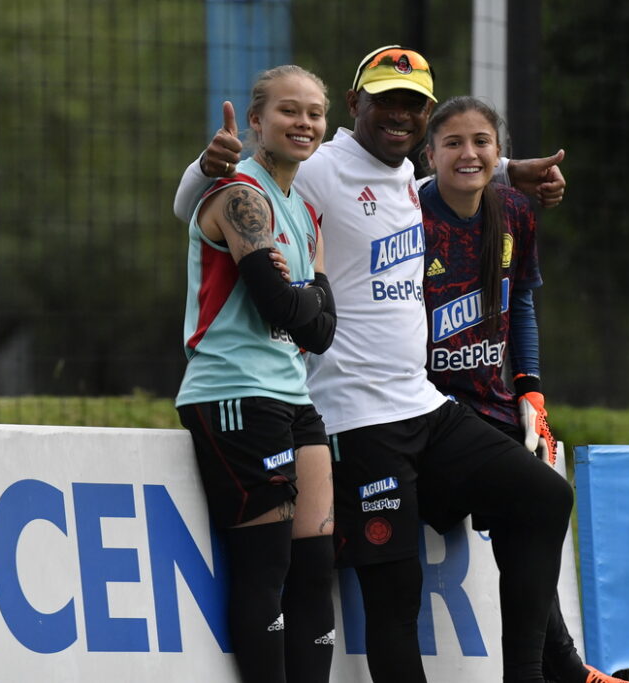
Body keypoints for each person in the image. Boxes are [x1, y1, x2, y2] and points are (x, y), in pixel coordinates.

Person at [176, 46, 572, 683]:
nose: (400, 115)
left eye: (413, 106)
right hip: (353, 419)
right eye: (385, 101)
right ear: (354, 105)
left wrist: (503, 170)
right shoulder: (321, 166)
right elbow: (211, 200)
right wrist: (202, 167)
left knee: (544, 497)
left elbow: (436, 180)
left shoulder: (404, 176)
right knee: (397, 600)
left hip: (422, 405)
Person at [419, 95, 628, 683]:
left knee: (531, 504)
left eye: (481, 142)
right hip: (428, 413)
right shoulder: (408, 211)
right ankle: (548, 670)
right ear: (428, 152)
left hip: (494, 408)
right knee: (537, 497)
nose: (468, 153)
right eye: (453, 142)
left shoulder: (514, 211)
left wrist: (530, 390)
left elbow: (523, 303)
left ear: (498, 150)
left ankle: (561, 666)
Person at [174, 64, 337, 683]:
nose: (304, 123)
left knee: (314, 568)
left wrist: (306, 300)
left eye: (315, 113)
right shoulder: (239, 193)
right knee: (265, 567)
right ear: (257, 119)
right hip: (235, 392)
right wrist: (310, 295)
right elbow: (283, 308)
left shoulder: (306, 213)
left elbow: (319, 331)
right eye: (289, 111)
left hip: (294, 395)